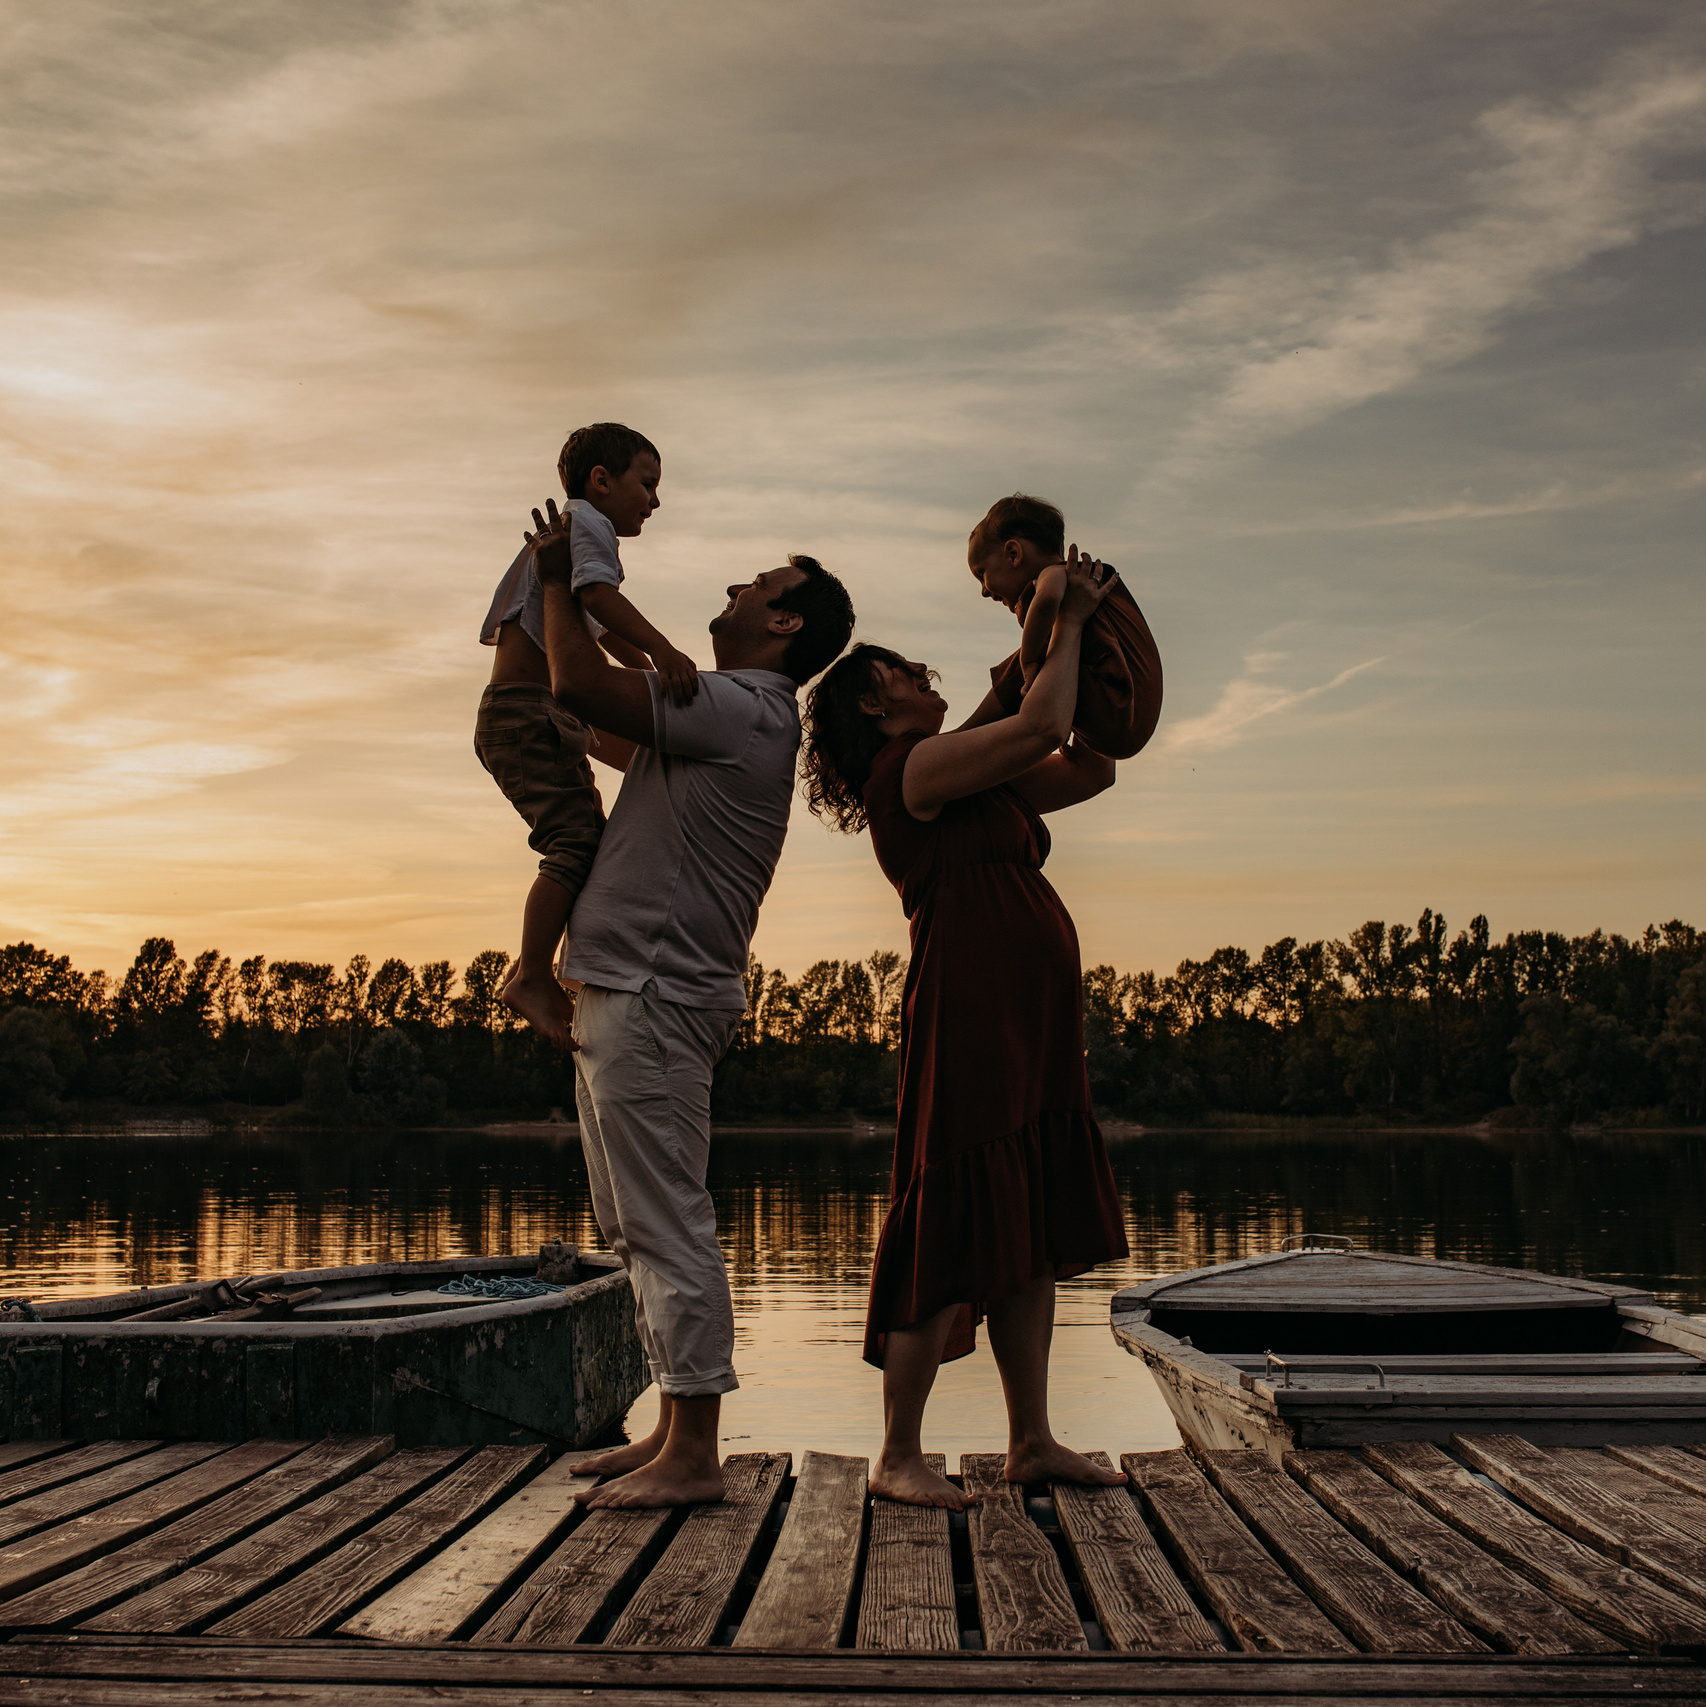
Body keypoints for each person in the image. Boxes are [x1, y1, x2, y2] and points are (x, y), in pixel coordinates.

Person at [528, 501, 855, 1509]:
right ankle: (672, 1427)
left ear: (784, 623)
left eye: (757, 586)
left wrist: (559, 575)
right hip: (628, 988)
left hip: (656, 994)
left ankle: (696, 1454)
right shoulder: (725, 716)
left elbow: (581, 684)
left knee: (666, 1219)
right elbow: (600, 722)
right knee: (635, 1223)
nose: (733, 589)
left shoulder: (745, 705)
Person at [800, 547, 1132, 1509]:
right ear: (874, 704)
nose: (921, 674)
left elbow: (1090, 766)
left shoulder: (972, 775)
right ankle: (897, 1453)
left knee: (1028, 1211)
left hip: (1030, 1011)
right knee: (953, 1208)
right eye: (902, 673)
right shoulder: (909, 772)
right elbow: (1041, 724)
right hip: (970, 1005)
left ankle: (1031, 1440)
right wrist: (1063, 626)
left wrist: (1087, 646)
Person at [475, 422, 699, 1049]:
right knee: (574, 842)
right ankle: (530, 975)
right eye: (647, 484)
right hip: (525, 715)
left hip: (528, 715)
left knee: (586, 841)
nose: (655, 500)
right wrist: (664, 650)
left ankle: (541, 964)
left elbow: (599, 625)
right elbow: (600, 599)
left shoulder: (570, 536)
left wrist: (645, 669)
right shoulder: (588, 527)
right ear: (602, 480)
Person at [962, 493, 1162, 761]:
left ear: (1013, 554)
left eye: (981, 573)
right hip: (1130, 716)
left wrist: (1029, 662)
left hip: (1116, 705)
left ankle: (961, 735)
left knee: (1025, 661)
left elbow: (1046, 600)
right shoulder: (1081, 584)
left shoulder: (1057, 575)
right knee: (1052, 644)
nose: (984, 591)